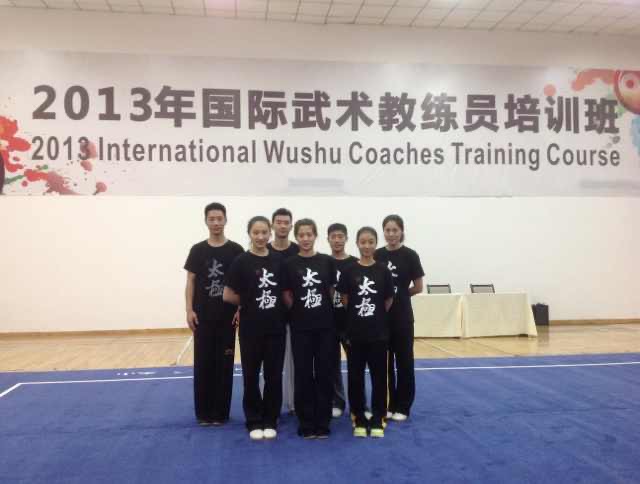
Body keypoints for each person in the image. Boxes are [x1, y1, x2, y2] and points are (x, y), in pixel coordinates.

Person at [223, 216, 286, 440]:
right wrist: (247, 302)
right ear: (249, 234)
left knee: (273, 376)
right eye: (255, 232)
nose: (260, 237)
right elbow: (227, 294)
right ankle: (253, 420)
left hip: (276, 328)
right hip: (250, 329)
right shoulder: (241, 261)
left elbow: (285, 293)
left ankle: (271, 419)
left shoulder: (279, 261)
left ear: (270, 233)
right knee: (251, 376)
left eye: (264, 232)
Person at [184, 202, 244, 426]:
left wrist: (240, 309)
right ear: (206, 221)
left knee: (224, 365)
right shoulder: (197, 250)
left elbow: (244, 284)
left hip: (227, 318)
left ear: (226, 220)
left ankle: (220, 413)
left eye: (220, 218)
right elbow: (190, 281)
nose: (216, 223)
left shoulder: (236, 250)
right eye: (212, 219)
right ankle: (203, 413)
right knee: (203, 364)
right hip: (202, 317)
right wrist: (189, 310)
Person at [337, 227, 393, 438]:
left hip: (378, 333)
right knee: (355, 377)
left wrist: (375, 316)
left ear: (376, 244)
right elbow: (345, 300)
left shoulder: (383, 271)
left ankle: (378, 417)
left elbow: (388, 300)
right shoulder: (349, 270)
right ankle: (358, 416)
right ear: (357, 244)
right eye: (363, 242)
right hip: (355, 333)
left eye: (371, 242)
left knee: (379, 377)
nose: (367, 246)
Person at [282, 218, 337, 439]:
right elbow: (287, 294)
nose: (305, 239)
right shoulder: (289, 264)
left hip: (325, 327)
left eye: (309, 234)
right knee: (303, 373)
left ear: (315, 236)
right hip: (300, 327)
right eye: (301, 235)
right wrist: (298, 312)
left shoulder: (327, 262)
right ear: (296, 237)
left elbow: (331, 291)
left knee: (324, 373)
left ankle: (323, 421)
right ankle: (305, 421)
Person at [374, 215, 425, 422]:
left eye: (395, 230)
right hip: (380, 318)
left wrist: (400, 295)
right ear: (383, 232)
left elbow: (418, 287)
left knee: (404, 363)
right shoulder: (377, 254)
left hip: (403, 318)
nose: (391, 234)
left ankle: (403, 406)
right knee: (383, 364)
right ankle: (389, 404)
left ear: (401, 231)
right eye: (387, 230)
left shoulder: (410, 255)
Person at [267, 208, 299, 413]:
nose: (282, 225)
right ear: (272, 225)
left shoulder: (298, 250)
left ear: (291, 226)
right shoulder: (263, 250)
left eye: (286, 222)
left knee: (297, 362)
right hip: (270, 317)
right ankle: (271, 405)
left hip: (296, 315)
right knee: (272, 365)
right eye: (278, 222)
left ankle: (295, 402)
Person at [327, 223, 358, 418]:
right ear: (328, 239)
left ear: (346, 238)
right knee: (332, 365)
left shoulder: (355, 263)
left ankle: (358, 403)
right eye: (333, 236)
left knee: (355, 364)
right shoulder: (322, 262)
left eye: (340, 236)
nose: (337, 240)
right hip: (329, 323)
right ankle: (337, 401)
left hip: (350, 323)